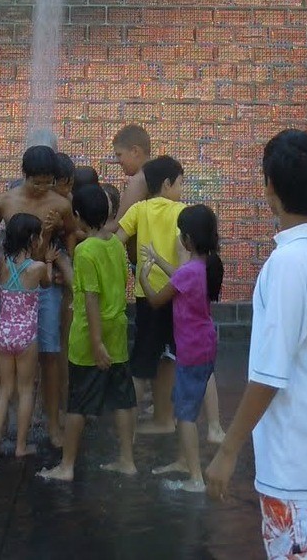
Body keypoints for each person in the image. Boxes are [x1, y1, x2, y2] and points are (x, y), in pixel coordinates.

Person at [206, 130, 307, 560]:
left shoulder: (285, 265)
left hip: (293, 471)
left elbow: (269, 374)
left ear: (270, 189)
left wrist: (228, 449)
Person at [38, 184, 137, 482]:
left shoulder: (85, 250)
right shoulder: (116, 245)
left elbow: (90, 298)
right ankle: (126, 460)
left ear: (78, 216)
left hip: (89, 335)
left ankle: (66, 466)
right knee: (122, 398)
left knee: (78, 402)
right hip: (117, 329)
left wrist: (95, 343)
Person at [0, 145, 77, 447]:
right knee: (3, 353)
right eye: (36, 181)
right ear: (24, 175)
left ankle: (53, 425)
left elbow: (71, 233)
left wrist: (59, 257)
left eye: (47, 182)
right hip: (15, 289)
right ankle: (0, 421)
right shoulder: (3, 202)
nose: (42, 188)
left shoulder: (61, 203)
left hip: (45, 288)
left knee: (50, 354)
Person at [138, 204, 223, 492]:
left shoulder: (189, 273)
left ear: (187, 239)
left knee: (185, 414)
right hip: (206, 344)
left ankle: (196, 478)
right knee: (185, 402)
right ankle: (182, 460)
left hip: (191, 349)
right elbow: (180, 276)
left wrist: (143, 278)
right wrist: (160, 260)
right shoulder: (204, 266)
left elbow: (157, 300)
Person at [116, 155, 186, 433]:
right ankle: (164, 418)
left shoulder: (139, 210)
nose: (182, 188)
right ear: (167, 183)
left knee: (142, 363)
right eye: (180, 182)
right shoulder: (183, 211)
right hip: (173, 294)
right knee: (169, 356)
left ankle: (130, 431)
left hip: (146, 295)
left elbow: (117, 241)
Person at [0, 213, 51, 457]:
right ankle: (21, 446)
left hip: (3, 333)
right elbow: (46, 284)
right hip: (26, 335)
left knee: (5, 389)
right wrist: (49, 261)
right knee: (26, 390)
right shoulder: (37, 268)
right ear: (33, 239)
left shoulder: (1, 263)